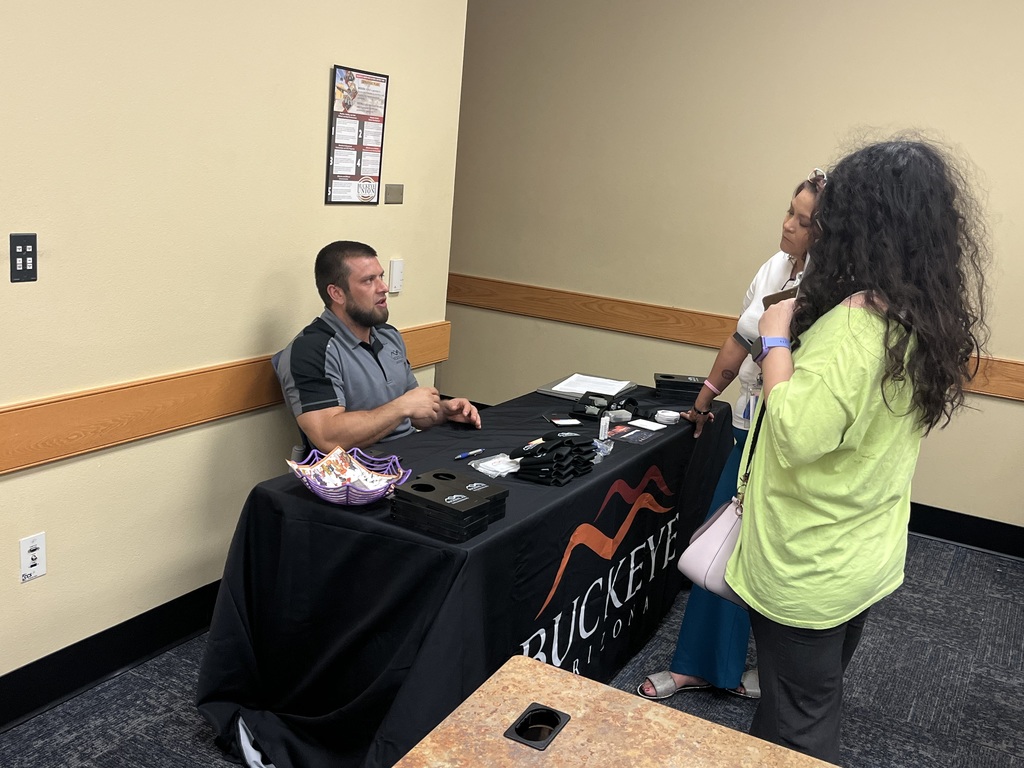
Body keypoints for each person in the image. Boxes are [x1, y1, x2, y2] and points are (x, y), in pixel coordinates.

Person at [727, 139, 988, 763]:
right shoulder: (923, 316)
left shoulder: (856, 327)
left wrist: (774, 340)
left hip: (809, 566)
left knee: (801, 729)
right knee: (795, 703)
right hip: (858, 553)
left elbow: (794, 434)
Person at [638, 169, 825, 702]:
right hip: (750, 426)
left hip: (788, 436)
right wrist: (703, 401)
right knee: (724, 543)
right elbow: (741, 338)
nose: (787, 225)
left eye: (802, 220)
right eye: (788, 210)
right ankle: (705, 664)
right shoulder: (775, 267)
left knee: (778, 558)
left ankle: (778, 672)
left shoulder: (831, 290)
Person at [276, 240, 481, 450]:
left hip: (411, 453)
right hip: (359, 470)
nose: (384, 287)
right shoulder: (310, 350)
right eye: (368, 280)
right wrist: (401, 407)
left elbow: (415, 412)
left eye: (381, 276)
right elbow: (328, 437)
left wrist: (446, 412)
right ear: (336, 293)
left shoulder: (388, 335)